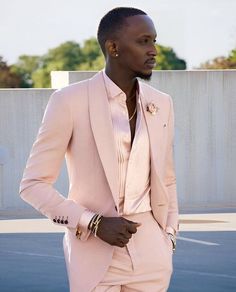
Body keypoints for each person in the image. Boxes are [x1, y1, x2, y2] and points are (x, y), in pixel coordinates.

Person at [19, 7, 179, 292]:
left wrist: (168, 237)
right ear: (113, 47)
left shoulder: (161, 103)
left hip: (152, 255)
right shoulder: (68, 101)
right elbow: (33, 185)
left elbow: (167, 178)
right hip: (94, 252)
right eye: (143, 41)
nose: (153, 50)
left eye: (154, 41)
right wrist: (93, 222)